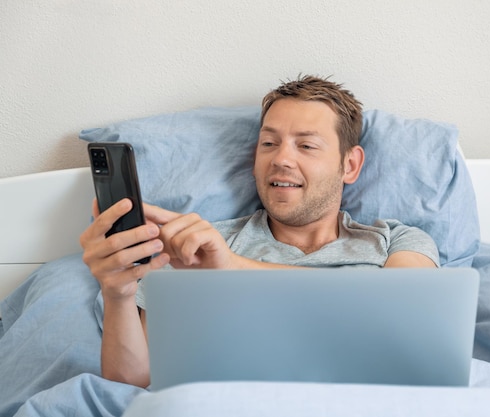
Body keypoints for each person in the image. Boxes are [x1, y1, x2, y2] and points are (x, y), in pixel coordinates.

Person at [79, 75, 440, 389]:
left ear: (350, 164)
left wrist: (232, 270)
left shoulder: (397, 242)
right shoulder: (196, 247)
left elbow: (405, 313)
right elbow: (131, 383)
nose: (281, 158)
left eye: (307, 145)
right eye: (269, 143)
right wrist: (119, 293)